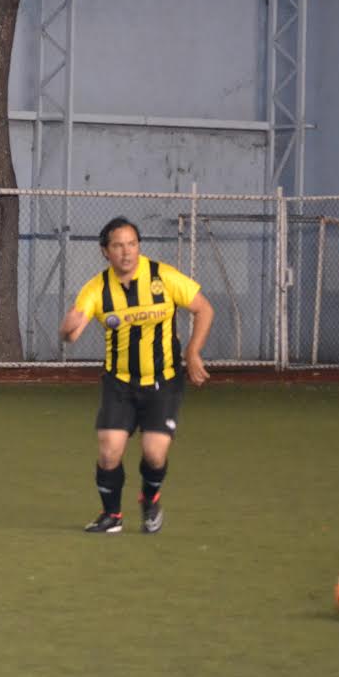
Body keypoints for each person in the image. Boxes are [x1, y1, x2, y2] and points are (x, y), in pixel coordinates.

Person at [58, 216, 214, 534]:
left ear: (139, 246)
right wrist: (66, 327)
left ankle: (150, 497)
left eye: (132, 244)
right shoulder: (97, 289)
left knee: (154, 454)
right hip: (119, 384)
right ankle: (111, 516)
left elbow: (204, 309)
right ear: (105, 251)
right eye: (118, 246)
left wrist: (193, 352)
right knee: (109, 450)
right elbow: (71, 334)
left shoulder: (162, 276)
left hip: (163, 381)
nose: (126, 252)